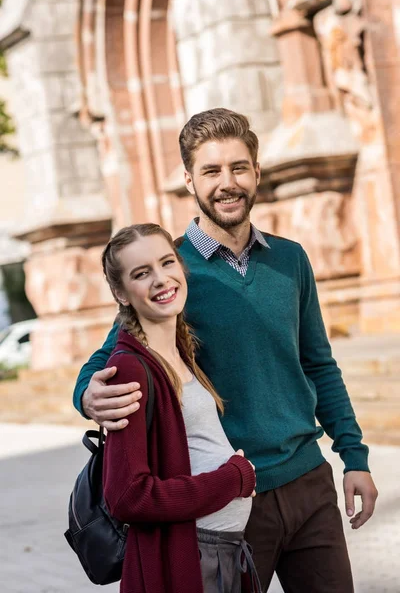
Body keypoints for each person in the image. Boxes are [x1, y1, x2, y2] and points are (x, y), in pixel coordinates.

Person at [74, 108, 378, 593]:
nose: (227, 183)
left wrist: (355, 457)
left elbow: (318, 364)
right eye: (211, 171)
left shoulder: (291, 259)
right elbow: (106, 359)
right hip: (232, 499)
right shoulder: (169, 271)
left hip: (309, 484)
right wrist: (87, 396)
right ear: (189, 180)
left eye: (238, 167)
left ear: (256, 173)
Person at [100, 223, 259, 593]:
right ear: (121, 293)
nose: (160, 279)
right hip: (188, 559)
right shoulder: (130, 367)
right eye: (141, 274)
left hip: (220, 552)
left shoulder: (178, 349)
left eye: (166, 263)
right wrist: (233, 479)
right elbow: (128, 496)